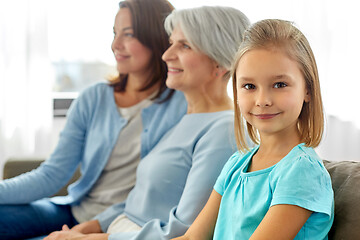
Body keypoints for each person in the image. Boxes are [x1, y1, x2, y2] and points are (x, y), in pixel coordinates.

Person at [42, 6, 250, 240]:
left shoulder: (224, 131)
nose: (166, 55)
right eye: (171, 43)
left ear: (220, 63)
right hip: (118, 229)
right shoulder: (187, 119)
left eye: (184, 46)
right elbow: (141, 201)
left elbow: (183, 231)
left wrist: (90, 239)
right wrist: (92, 226)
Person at [0, 0, 187, 239]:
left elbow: (160, 191)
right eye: (114, 33)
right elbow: (52, 174)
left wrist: (95, 226)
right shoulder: (93, 97)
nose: (115, 45)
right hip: (73, 210)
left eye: (128, 34)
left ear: (157, 38)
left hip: (125, 223)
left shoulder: (181, 105)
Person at [173, 19, 334, 240]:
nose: (262, 100)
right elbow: (192, 238)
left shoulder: (301, 171)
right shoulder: (236, 163)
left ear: (308, 89)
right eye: (249, 86)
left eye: (279, 85)